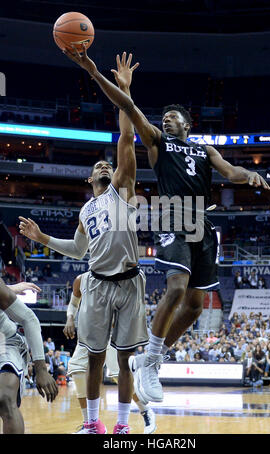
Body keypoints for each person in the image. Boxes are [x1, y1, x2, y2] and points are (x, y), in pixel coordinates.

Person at [62, 44, 270, 404]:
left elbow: (230, 171)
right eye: (165, 117)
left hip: (203, 221)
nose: (166, 120)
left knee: (193, 306)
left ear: (187, 124)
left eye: (173, 117)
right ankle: (150, 362)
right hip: (173, 213)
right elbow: (128, 110)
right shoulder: (157, 141)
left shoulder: (204, 150)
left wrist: (248, 174)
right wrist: (99, 75)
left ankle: (150, 359)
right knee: (176, 287)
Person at [19, 54, 148, 435]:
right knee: (93, 359)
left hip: (128, 282)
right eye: (98, 167)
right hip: (97, 282)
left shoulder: (123, 189)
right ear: (89, 180)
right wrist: (42, 239)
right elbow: (78, 251)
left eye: (107, 165)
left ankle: (122, 426)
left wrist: (124, 90)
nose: (104, 167)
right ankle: (93, 424)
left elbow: (127, 137)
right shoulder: (85, 210)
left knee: (122, 361)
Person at [63, 273, 156, 434]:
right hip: (90, 333)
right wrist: (70, 318)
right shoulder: (81, 279)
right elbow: (73, 303)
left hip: (113, 334)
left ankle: (145, 411)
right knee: (76, 368)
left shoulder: (120, 278)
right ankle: (90, 424)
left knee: (118, 374)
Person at [0, 278, 58, 433]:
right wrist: (11, 287)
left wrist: (41, 369)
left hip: (6, 344)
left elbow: (28, 318)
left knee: (4, 398)